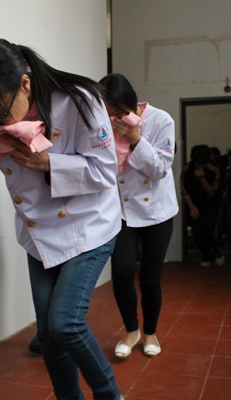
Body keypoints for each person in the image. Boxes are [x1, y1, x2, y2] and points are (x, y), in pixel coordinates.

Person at [0, 39, 123, 400]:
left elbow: (105, 171)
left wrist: (49, 163)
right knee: (47, 335)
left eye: (0, 117)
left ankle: (110, 394)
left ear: (25, 85)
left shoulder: (77, 100)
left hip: (89, 224)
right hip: (39, 235)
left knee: (66, 324)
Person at [98, 73, 178, 359]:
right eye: (106, 112)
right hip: (122, 212)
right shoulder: (103, 124)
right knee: (121, 273)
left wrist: (135, 139)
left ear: (127, 104)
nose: (111, 118)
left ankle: (150, 333)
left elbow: (160, 169)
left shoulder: (161, 120)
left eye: (115, 112)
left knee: (150, 279)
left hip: (157, 212)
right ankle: (131, 331)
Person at [180, 144, 224, 267]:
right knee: (197, 233)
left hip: (212, 204)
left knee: (209, 230)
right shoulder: (188, 169)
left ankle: (216, 252)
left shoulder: (216, 169)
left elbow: (212, 192)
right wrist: (191, 207)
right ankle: (207, 255)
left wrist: (202, 178)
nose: (200, 166)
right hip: (195, 204)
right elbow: (184, 190)